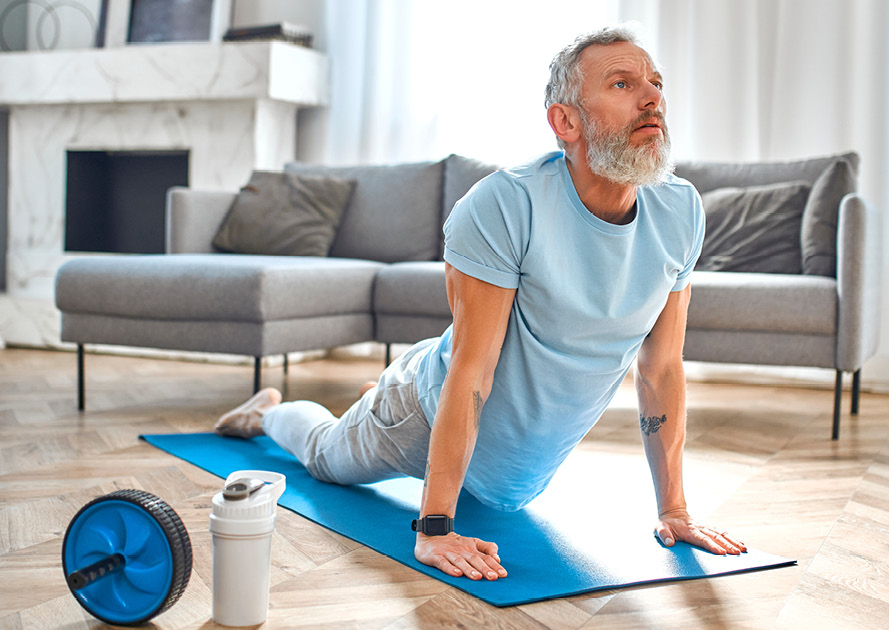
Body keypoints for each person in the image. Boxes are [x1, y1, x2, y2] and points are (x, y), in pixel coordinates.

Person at [215, 25, 746, 583]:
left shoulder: (680, 210)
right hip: (422, 414)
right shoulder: (505, 204)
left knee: (496, 489)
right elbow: (472, 371)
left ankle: (380, 392)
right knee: (326, 458)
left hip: (508, 477)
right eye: (622, 83)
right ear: (565, 122)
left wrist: (674, 511)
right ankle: (271, 412)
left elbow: (661, 368)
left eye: (655, 83)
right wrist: (436, 528)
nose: (652, 97)